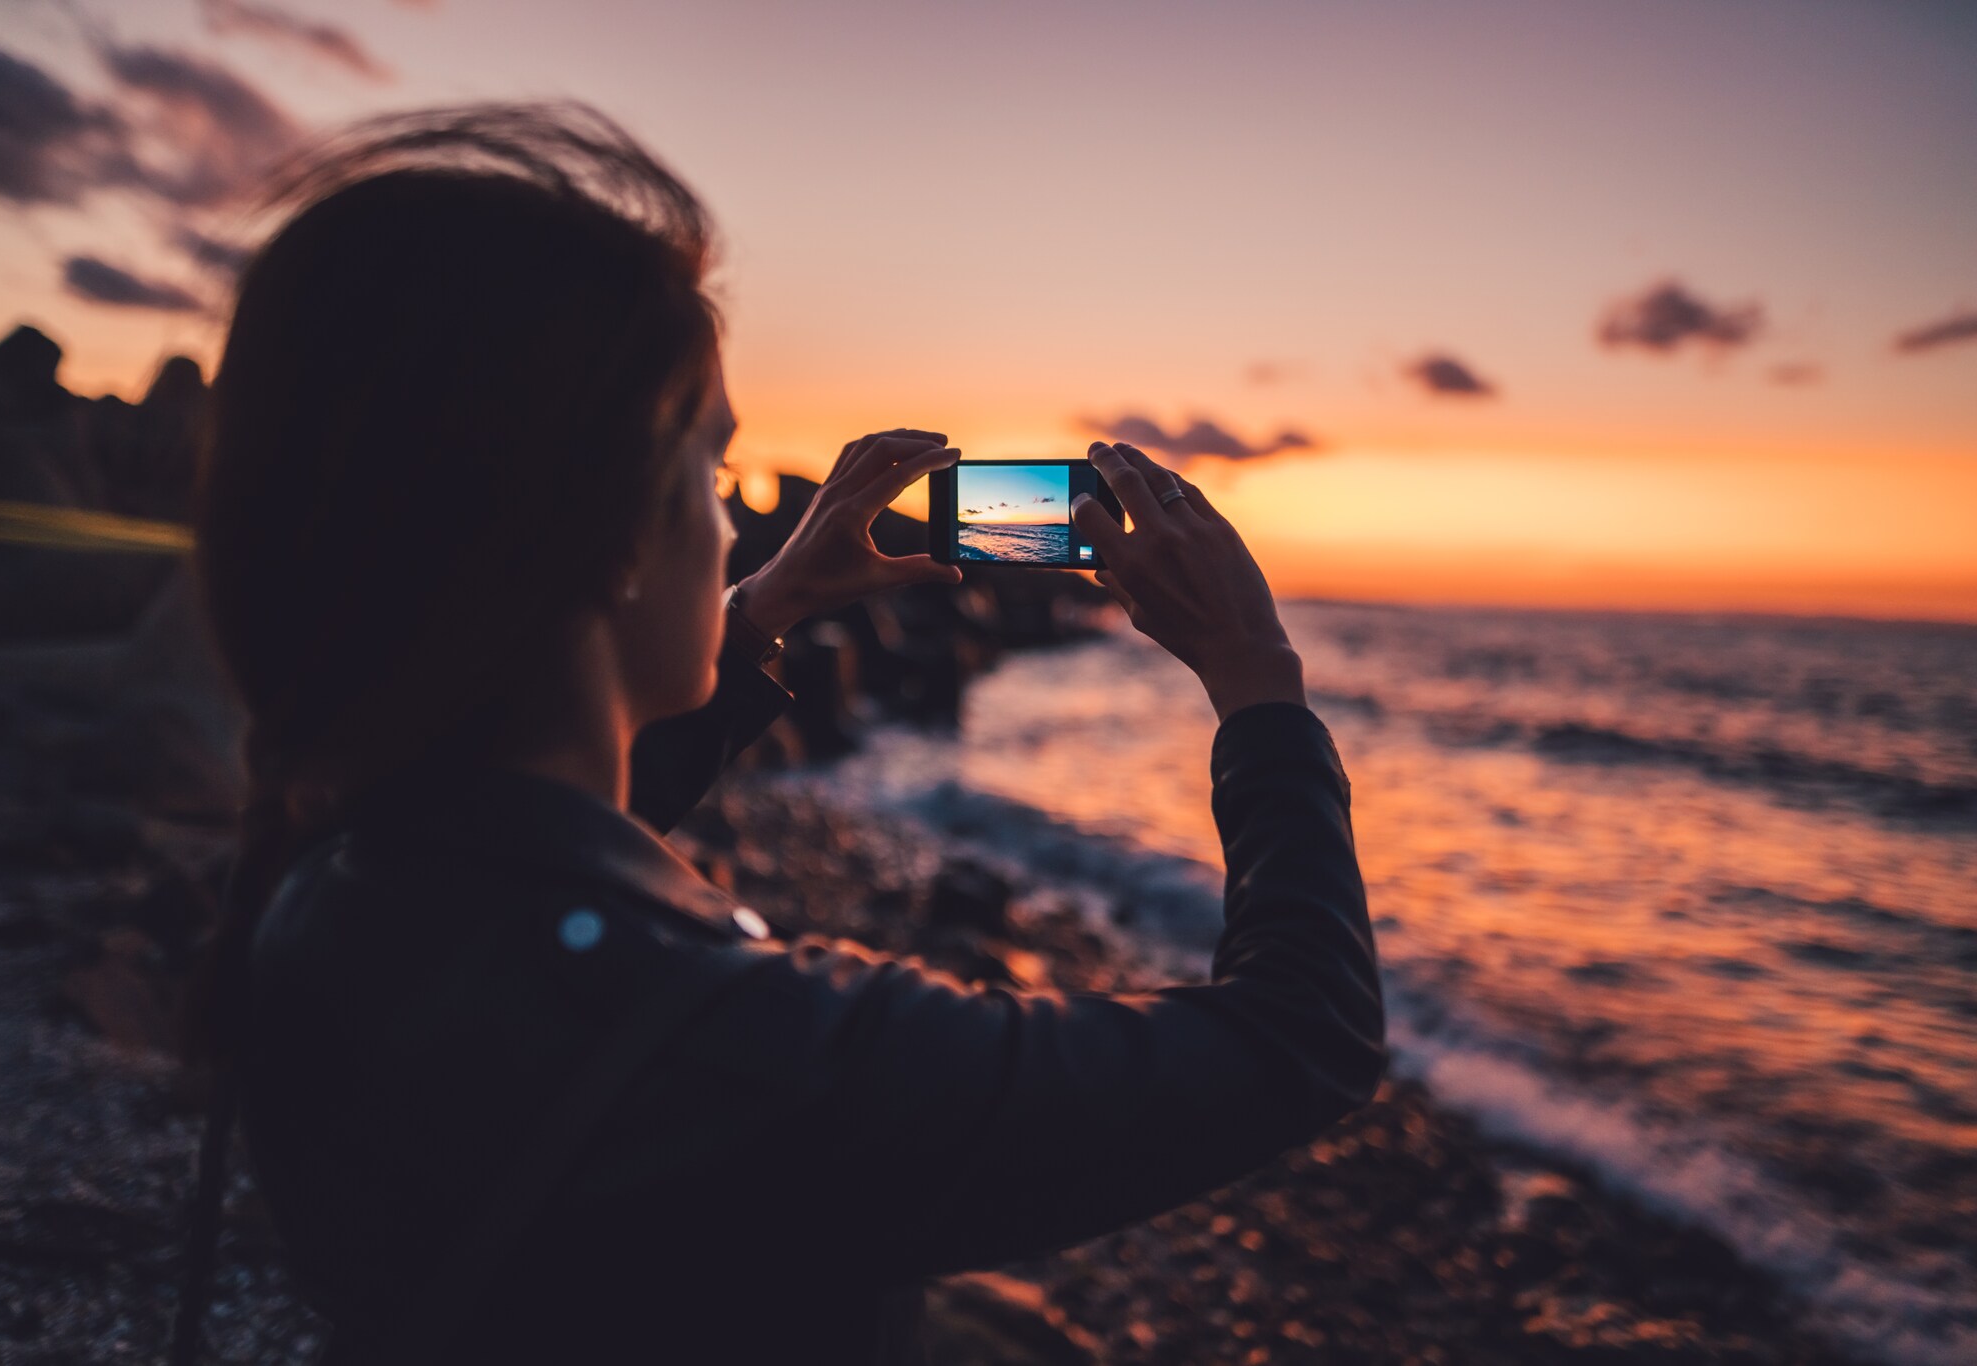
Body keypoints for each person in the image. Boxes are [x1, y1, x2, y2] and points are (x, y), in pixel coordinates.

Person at [183, 101, 1386, 1365]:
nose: (732, 519)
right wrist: (1258, 689)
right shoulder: (737, 1050)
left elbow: (529, 820)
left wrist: (768, 606)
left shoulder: (348, 867)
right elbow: (1298, 1039)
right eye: (712, 477)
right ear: (607, 541)